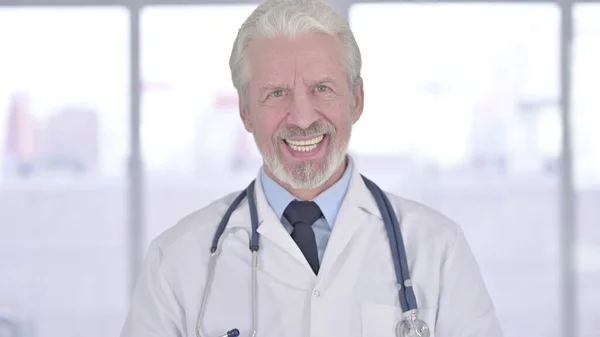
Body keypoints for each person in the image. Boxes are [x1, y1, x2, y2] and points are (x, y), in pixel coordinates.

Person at [120, 0, 503, 336]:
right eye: (276, 93)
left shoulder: (438, 250)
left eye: (322, 88)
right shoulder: (177, 262)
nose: (302, 118)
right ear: (245, 111)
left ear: (356, 100)